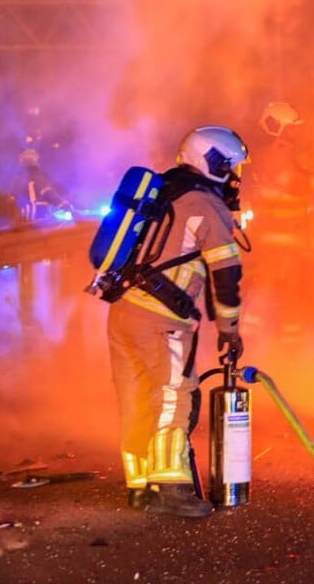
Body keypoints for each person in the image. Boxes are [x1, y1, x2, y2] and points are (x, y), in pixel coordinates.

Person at [107, 126, 250, 517]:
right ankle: (171, 487)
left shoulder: (163, 192)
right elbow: (225, 273)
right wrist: (230, 329)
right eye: (231, 166)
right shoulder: (205, 204)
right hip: (162, 320)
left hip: (123, 312)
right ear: (214, 162)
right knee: (173, 395)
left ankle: (140, 487)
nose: (235, 176)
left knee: (137, 398)